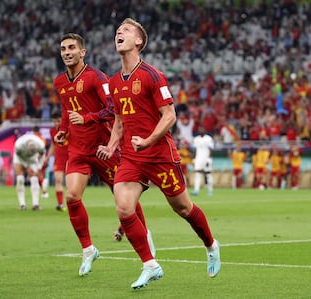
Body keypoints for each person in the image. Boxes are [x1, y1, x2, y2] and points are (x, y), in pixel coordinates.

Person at [96, 18, 220, 289]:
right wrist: (111, 146)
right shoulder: (114, 82)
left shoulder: (152, 75)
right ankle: (150, 264)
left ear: (138, 41)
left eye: (126, 30)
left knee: (184, 208)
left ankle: (210, 245)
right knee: (123, 207)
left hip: (160, 155)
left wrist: (150, 140)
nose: (119, 33)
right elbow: (119, 121)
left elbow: (170, 115)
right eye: (117, 30)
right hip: (131, 156)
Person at [53, 33, 152, 277]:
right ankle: (88, 249)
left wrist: (87, 118)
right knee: (72, 196)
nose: (67, 52)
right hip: (77, 149)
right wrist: (63, 130)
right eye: (63, 48)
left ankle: (146, 244)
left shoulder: (96, 78)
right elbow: (67, 109)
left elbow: (113, 109)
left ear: (82, 52)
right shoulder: (59, 82)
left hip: (103, 149)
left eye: (72, 48)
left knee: (124, 201)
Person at [13, 132, 46, 210]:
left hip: (32, 160)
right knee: (20, 179)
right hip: (20, 159)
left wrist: (39, 167)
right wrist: (27, 166)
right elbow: (18, 156)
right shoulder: (18, 145)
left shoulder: (40, 145)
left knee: (34, 179)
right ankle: (22, 205)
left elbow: (42, 156)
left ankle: (35, 205)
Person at [44, 112, 68, 211]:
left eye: (58, 121)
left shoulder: (69, 129)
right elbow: (53, 145)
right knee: (58, 180)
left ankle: (72, 204)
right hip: (58, 158)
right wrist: (48, 157)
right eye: (54, 121)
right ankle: (60, 204)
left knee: (70, 183)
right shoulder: (52, 131)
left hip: (69, 157)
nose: (56, 123)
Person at [191, 125, 214, 196]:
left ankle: (210, 190)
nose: (201, 130)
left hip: (206, 159)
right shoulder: (196, 139)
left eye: (202, 129)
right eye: (199, 129)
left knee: (208, 174)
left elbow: (211, 149)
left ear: (205, 130)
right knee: (197, 174)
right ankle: (196, 190)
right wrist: (194, 159)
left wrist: (208, 160)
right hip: (198, 159)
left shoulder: (208, 139)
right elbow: (194, 150)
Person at [32, 125, 49, 198]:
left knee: (37, 175)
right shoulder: (43, 139)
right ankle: (43, 190)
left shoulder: (34, 139)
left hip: (38, 160)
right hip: (43, 159)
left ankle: (44, 191)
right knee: (39, 175)